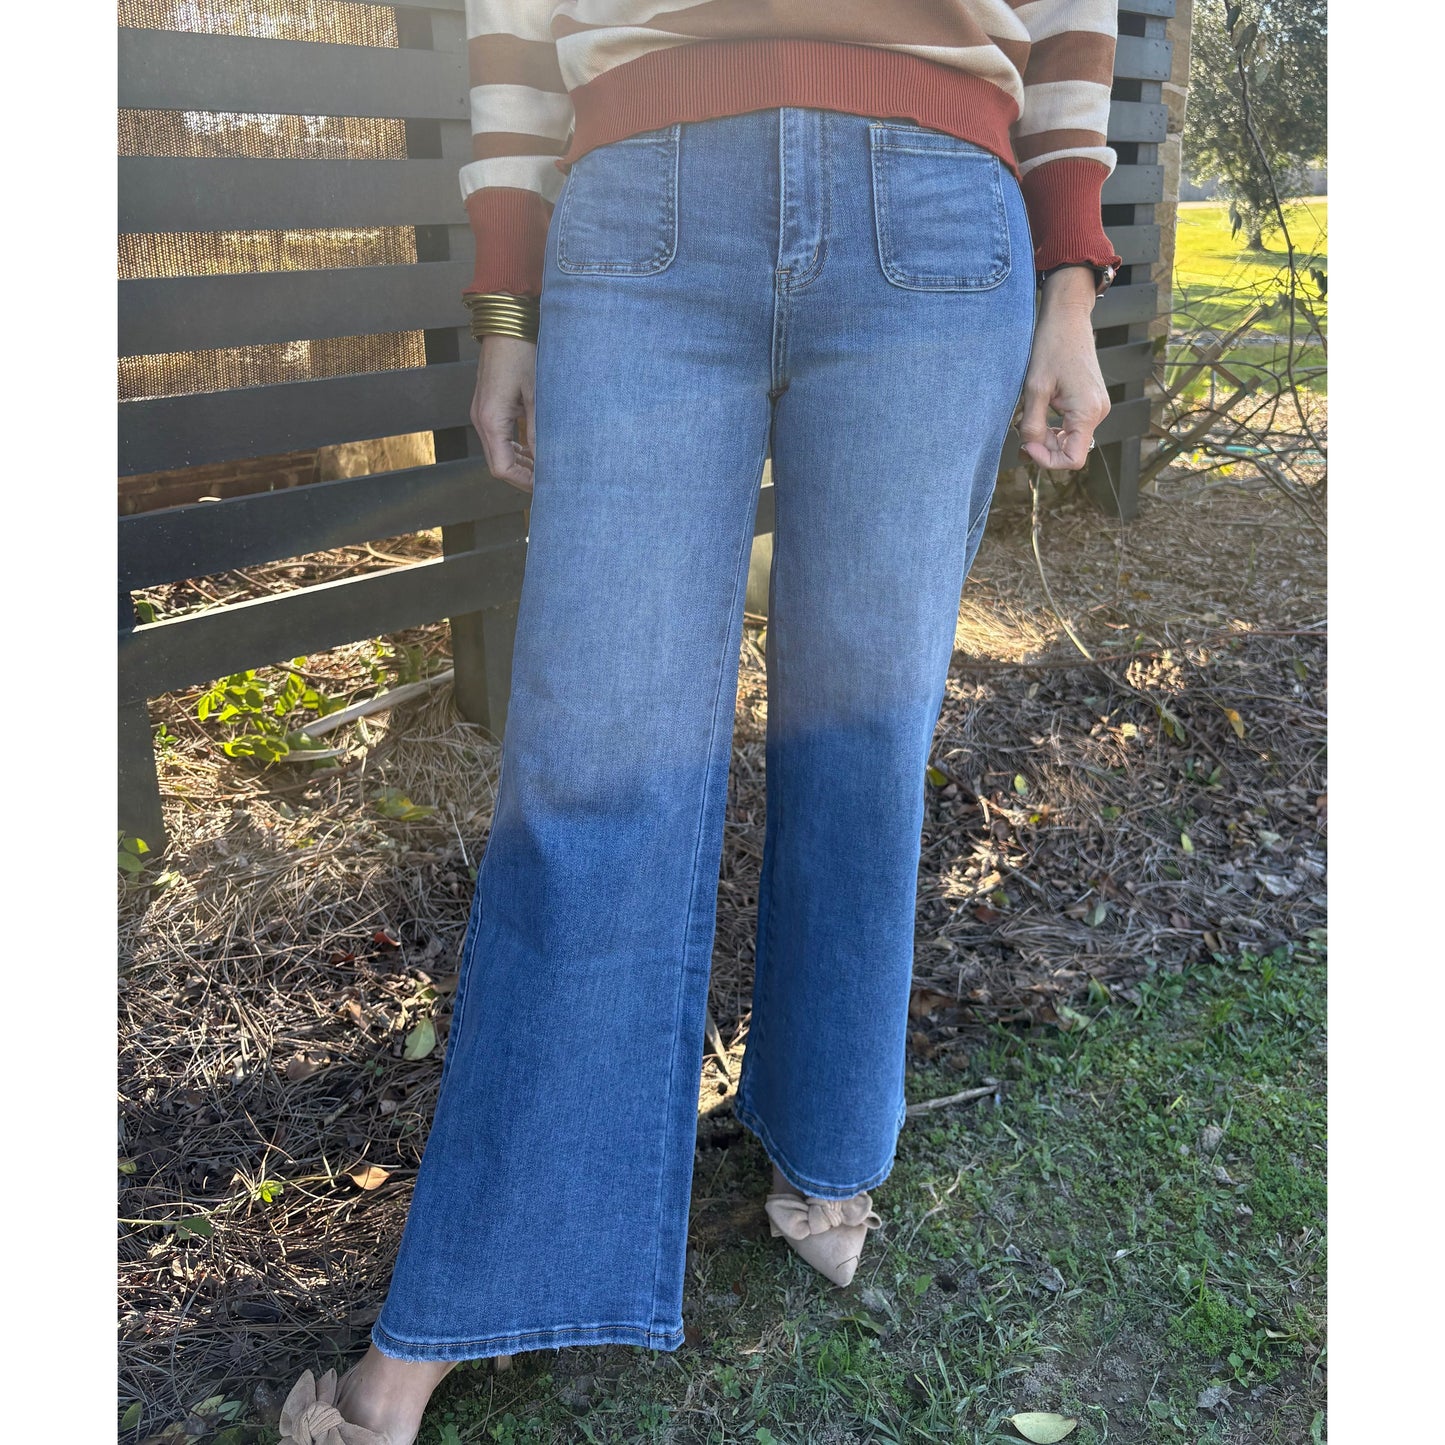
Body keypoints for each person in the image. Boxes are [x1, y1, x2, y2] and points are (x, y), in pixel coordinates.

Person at [278, 3, 1121, 1441]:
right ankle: (473, 1290)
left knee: (862, 740)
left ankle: (828, 1140)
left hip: (936, 205)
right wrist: (504, 310)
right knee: (592, 764)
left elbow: (1071, 19)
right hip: (642, 205)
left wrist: (1070, 288)